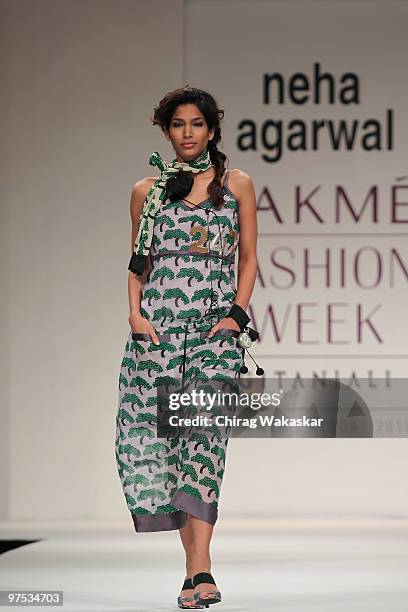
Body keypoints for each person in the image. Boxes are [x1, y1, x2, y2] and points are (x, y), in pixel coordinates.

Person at [115, 85, 258, 608]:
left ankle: (201, 569)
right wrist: (136, 314)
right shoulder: (146, 191)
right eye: (178, 125)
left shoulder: (236, 184)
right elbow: (138, 263)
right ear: (167, 131)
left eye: (196, 124)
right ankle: (194, 572)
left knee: (205, 441)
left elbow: (248, 259)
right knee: (169, 446)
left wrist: (235, 315)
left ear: (212, 129)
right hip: (159, 333)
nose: (188, 133)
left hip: (214, 332)